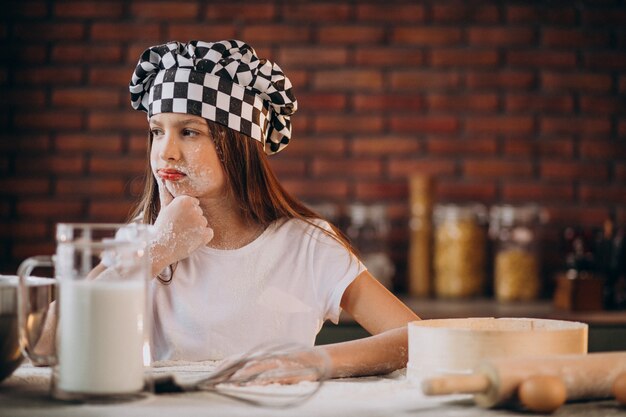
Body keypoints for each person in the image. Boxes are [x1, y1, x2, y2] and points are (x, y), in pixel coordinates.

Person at [123, 39, 420, 380]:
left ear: (239, 144)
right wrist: (159, 248)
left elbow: (417, 339)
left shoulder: (307, 245)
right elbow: (61, 336)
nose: (166, 152)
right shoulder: (143, 240)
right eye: (157, 132)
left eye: (189, 132)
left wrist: (308, 362)